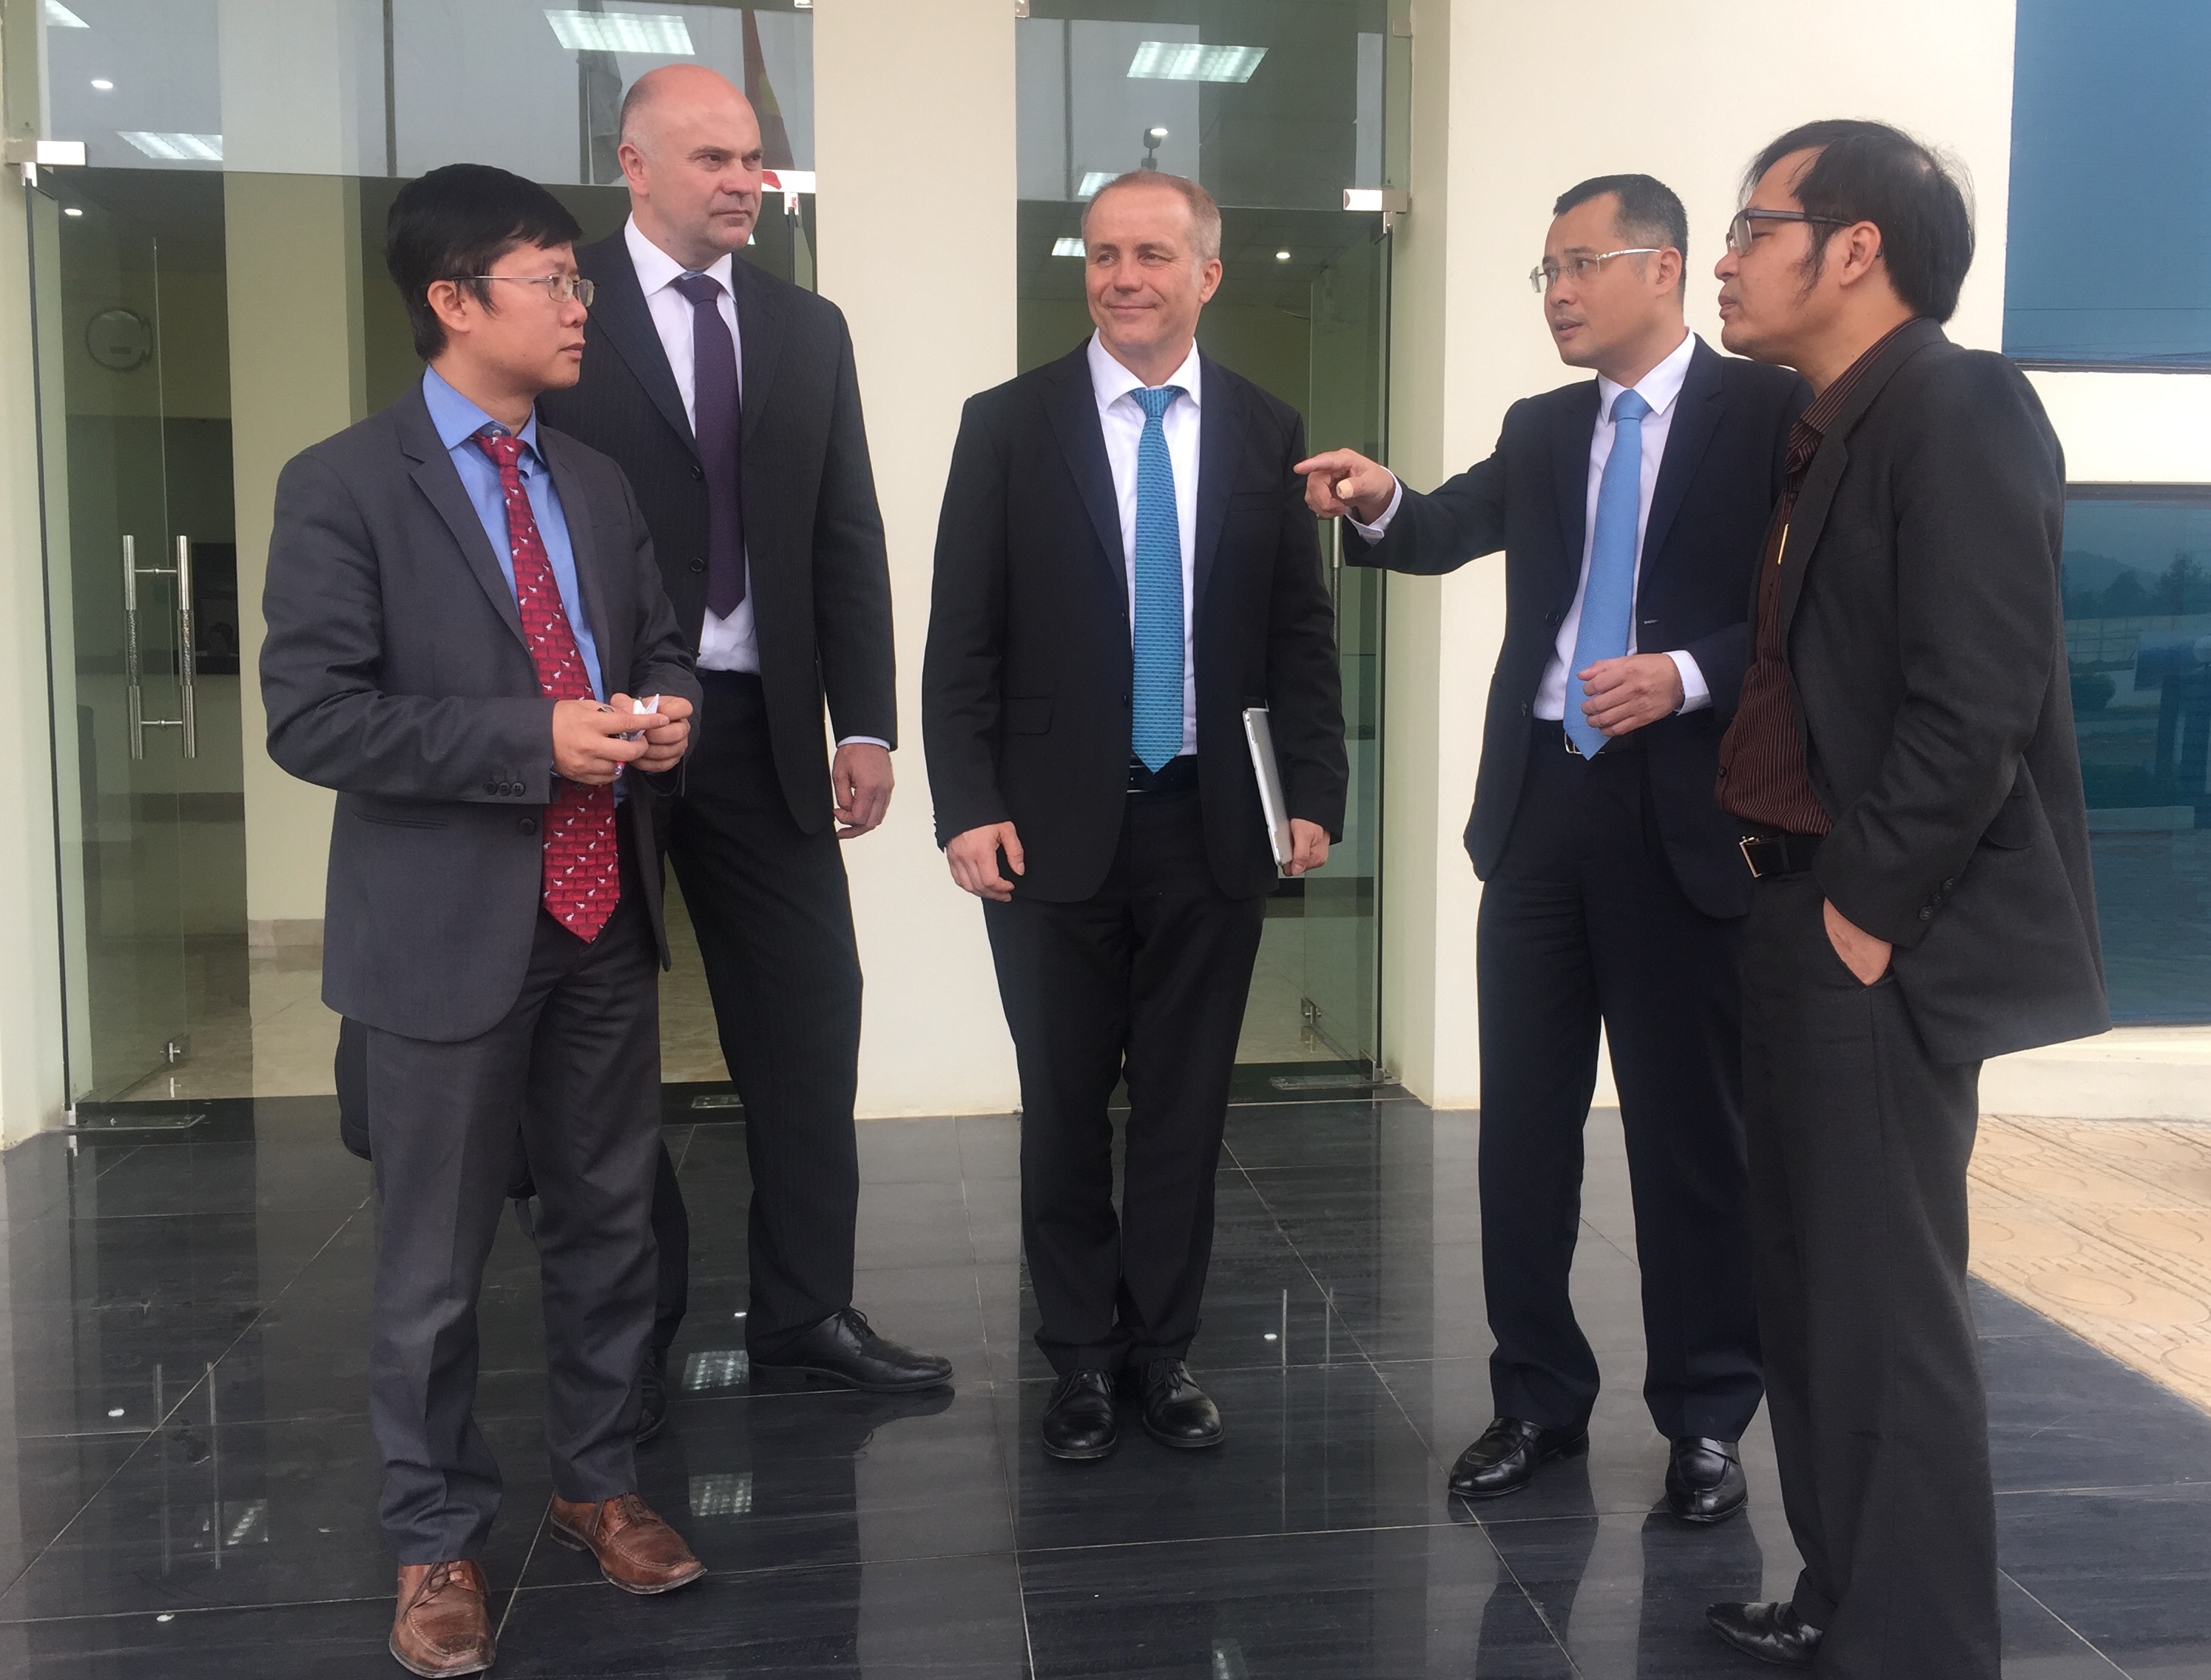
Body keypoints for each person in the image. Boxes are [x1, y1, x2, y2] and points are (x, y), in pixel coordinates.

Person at [1297, 175, 1805, 1522]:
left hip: (1684, 817)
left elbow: (1807, 607)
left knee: (1691, 1138)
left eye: (1579, 265)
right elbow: (1444, 527)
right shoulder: (1542, 426)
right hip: (1540, 809)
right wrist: (1377, 496)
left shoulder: (1768, 413)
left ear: (1664, 267)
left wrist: (1685, 677)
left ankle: (1706, 1417)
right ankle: (1535, 1400)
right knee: (1521, 1133)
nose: (1558, 294)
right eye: (1546, 272)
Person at [261, 163, 709, 1677]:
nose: (584, 305)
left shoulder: (594, 479)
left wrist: (666, 711)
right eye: (554, 280)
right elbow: (314, 717)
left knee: (608, 1224)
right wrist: (535, 739)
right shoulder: (343, 484)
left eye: (581, 279)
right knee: (433, 1265)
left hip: (601, 920)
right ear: (453, 299)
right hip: (443, 933)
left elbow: (655, 640)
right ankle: (433, 1539)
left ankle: (597, 1481)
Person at [1701, 121, 2107, 1673]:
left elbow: (1977, 698)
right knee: (1810, 1294)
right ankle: (1842, 1592)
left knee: (1886, 1312)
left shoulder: (1956, 403)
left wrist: (1861, 914)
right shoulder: (1830, 425)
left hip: (1865, 932)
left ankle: (1917, 1643)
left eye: (1753, 226)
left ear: (1853, 246)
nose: (1727, 260)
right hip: (1790, 912)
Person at [539, 63, 949, 1431]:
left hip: (765, 731)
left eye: (754, 157)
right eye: (712, 156)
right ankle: (631, 1335)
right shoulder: (565, 308)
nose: (743, 180)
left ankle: (805, 1312)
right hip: (604, 742)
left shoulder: (803, 327)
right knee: (598, 1045)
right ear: (633, 163)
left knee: (809, 1016)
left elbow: (846, 531)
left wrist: (865, 720)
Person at [922, 171, 1346, 1460]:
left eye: (1152, 255)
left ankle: (1161, 1353)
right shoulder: (1008, 424)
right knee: (1061, 1106)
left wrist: (1313, 794)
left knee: (1183, 1104)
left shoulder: (1266, 430)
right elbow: (961, 635)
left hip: (1210, 823)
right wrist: (966, 803)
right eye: (1103, 254)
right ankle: (1078, 1359)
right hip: (1047, 827)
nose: (1122, 277)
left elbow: (1298, 633)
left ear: (1206, 273)